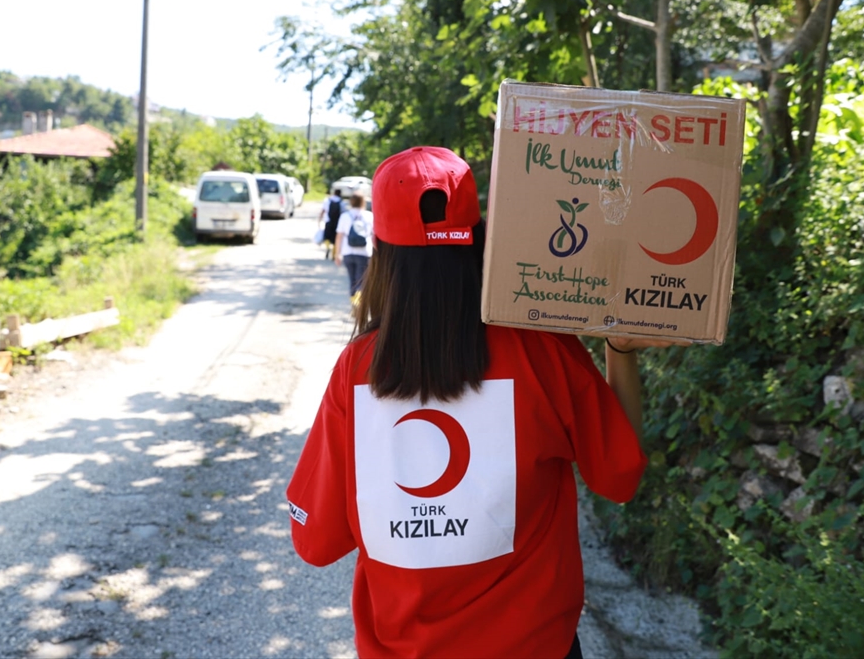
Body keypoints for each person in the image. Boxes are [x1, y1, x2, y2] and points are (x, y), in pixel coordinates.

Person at [287, 146, 669, 659]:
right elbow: (619, 477)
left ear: (381, 251)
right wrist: (619, 349)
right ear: (481, 234)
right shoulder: (545, 348)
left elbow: (315, 543)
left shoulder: (356, 371)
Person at [334, 191, 374, 305]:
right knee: (361, 280)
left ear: (351, 202)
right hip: (364, 253)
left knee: (352, 280)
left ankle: (354, 304)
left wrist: (337, 254)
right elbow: (375, 235)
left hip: (348, 252)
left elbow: (339, 236)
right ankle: (359, 304)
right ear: (363, 202)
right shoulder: (369, 215)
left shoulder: (345, 216)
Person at [320, 187, 348, 260]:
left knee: (327, 237)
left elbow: (323, 210)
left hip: (328, 222)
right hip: (337, 223)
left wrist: (320, 219)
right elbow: (344, 213)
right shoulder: (342, 202)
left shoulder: (327, 200)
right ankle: (333, 253)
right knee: (335, 238)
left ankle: (327, 247)